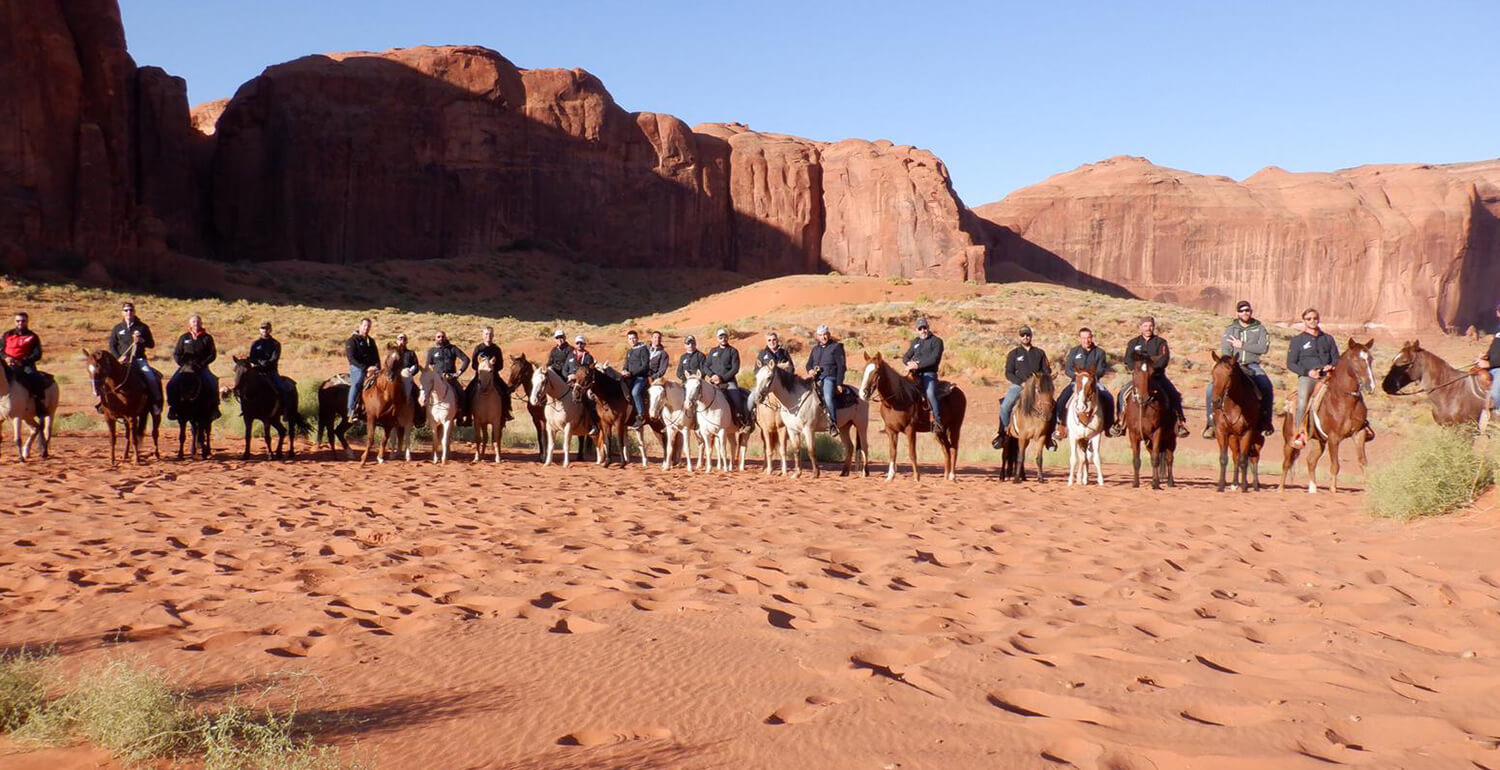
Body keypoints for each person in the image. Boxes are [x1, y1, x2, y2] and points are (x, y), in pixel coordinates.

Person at [1107, 316, 1189, 438]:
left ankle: (1179, 422)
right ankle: (1120, 422)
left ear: (1153, 327)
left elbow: (1164, 359)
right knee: (1122, 393)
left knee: (1174, 394)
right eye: (1145, 326)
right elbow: (1128, 359)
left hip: (1157, 377)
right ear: (1140, 327)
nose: (1148, 328)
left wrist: (1152, 370)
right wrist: (1136, 369)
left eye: (1150, 326)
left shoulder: (1161, 342)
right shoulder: (1133, 343)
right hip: (1139, 378)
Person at [1206, 300, 1274, 438]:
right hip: (1233, 366)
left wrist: (1242, 345)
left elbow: (1263, 348)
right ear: (1237, 313)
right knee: (1210, 389)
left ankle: (1266, 421)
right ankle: (1211, 423)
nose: (1245, 313)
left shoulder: (1259, 328)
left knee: (1266, 385)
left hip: (1252, 364)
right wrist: (1230, 364)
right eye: (1242, 311)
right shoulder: (1230, 329)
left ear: (1251, 311)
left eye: (1247, 310)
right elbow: (1226, 350)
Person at [1286, 308, 1340, 448]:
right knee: (1303, 400)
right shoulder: (1298, 340)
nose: (1312, 321)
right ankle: (1299, 433)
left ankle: (1360, 425)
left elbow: (1336, 358)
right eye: (1309, 319)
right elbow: (1291, 363)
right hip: (1308, 377)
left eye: (1315, 318)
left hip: (1328, 376)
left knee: (1348, 393)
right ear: (1304, 321)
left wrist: (1331, 366)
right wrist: (1307, 372)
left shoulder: (1328, 339)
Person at [1053, 327, 1113, 439]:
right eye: (1084, 338)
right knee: (1062, 399)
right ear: (1079, 339)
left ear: (1092, 337)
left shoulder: (1100, 352)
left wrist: (1091, 377)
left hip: (1093, 383)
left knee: (1109, 397)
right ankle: (1060, 426)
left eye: (1089, 337)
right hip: (1076, 383)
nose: (1086, 340)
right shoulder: (1074, 351)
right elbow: (1068, 369)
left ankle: (1109, 426)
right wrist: (1078, 377)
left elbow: (1101, 369)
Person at [997, 326, 1050, 445]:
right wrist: (1021, 382)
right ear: (1019, 337)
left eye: (1027, 335)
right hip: (1019, 386)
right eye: (1023, 335)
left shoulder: (1040, 353)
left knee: (1051, 405)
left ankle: (1049, 436)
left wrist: (1040, 380)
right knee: (1005, 406)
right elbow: (1008, 372)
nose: (1025, 337)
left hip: (1037, 387)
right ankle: (1003, 432)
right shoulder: (1013, 354)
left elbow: (1047, 370)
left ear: (1031, 336)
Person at [108, 301, 161, 415]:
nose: (128, 312)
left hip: (139, 360)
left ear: (134, 312)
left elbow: (151, 344)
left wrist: (142, 340)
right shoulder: (117, 328)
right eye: (126, 310)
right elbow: (112, 345)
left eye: (131, 310)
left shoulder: (142, 327)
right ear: (122, 313)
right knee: (107, 378)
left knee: (150, 377)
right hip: (122, 361)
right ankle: (104, 404)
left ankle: (156, 402)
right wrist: (118, 357)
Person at [168, 314, 219, 421]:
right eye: (194, 322)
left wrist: (202, 364)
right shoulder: (184, 337)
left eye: (198, 322)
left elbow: (212, 354)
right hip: (185, 367)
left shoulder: (207, 338)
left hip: (201, 367)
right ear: (190, 324)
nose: (196, 324)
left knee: (212, 381)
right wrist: (182, 364)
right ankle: (172, 408)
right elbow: (177, 353)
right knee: (171, 383)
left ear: (201, 323)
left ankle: (215, 408)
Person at [901, 317, 946, 433]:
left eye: (924, 327)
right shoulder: (915, 342)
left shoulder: (937, 341)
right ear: (916, 330)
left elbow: (934, 359)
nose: (923, 330)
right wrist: (909, 363)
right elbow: (905, 357)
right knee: (900, 389)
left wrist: (917, 365)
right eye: (920, 328)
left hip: (929, 374)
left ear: (928, 327)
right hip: (914, 374)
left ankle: (938, 421)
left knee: (930, 393)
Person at [1, 312, 49, 416]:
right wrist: (6, 358)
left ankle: (39, 405)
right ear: (15, 322)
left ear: (27, 322)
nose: (20, 323)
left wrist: (23, 361)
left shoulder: (33, 336)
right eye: (18, 321)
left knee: (36, 378)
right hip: (7, 364)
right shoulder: (7, 334)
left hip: (25, 365)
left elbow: (37, 354)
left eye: (23, 321)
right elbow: (0, 350)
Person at [248, 321, 296, 415]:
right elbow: (252, 357)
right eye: (262, 328)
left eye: (266, 328)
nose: (264, 330)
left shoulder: (275, 344)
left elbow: (274, 359)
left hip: (271, 371)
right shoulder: (255, 344)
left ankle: (285, 410)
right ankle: (245, 410)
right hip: (257, 371)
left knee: (282, 387)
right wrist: (259, 362)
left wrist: (264, 363)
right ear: (259, 330)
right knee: (245, 386)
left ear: (270, 330)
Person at [805, 324, 846, 434]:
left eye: (825, 335)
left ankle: (833, 424)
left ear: (829, 334)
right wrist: (810, 371)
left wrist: (839, 383)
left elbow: (842, 367)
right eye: (820, 335)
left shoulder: (837, 347)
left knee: (828, 397)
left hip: (829, 377)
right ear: (817, 336)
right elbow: (808, 365)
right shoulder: (815, 349)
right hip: (816, 379)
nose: (823, 337)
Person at [706, 328, 748, 426]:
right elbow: (706, 366)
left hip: (729, 382)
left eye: (725, 337)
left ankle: (742, 421)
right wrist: (712, 375)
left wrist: (722, 378)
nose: (723, 339)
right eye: (721, 337)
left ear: (728, 337)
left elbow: (735, 368)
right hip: (714, 383)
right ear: (717, 339)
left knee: (737, 398)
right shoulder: (713, 351)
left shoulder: (733, 351)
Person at [426, 330, 471, 417]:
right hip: (437, 379)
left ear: (445, 337)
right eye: (438, 337)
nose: (441, 339)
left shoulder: (453, 348)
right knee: (424, 394)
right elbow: (427, 365)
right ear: (435, 338)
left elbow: (466, 359)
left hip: (451, 378)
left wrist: (459, 372)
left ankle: (463, 416)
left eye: (443, 336)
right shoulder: (432, 351)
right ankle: (423, 417)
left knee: (462, 394)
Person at [464, 326, 502, 426]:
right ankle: (467, 415)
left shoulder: (496, 349)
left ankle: (505, 413)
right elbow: (473, 364)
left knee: (505, 391)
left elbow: (501, 364)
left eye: (490, 334)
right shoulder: (478, 348)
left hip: (494, 376)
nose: (488, 336)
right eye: (486, 334)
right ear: (482, 335)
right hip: (480, 375)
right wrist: (482, 368)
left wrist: (492, 369)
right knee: (468, 392)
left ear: (493, 335)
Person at [344, 318, 378, 421]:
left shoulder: (371, 341)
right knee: (357, 383)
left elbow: (376, 356)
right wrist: (366, 368)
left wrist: (377, 367)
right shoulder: (352, 341)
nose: (366, 328)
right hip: (357, 367)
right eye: (365, 326)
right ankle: (351, 410)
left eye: (368, 326)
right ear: (360, 326)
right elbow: (351, 358)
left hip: (372, 368)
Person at [392, 332, 422, 426]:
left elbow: (416, 366)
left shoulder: (411, 353)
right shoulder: (393, 354)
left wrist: (410, 372)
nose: (402, 341)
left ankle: (418, 419)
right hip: (396, 379)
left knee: (418, 394)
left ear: (406, 341)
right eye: (400, 339)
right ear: (397, 341)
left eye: (404, 339)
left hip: (408, 378)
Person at [622, 330, 651, 427]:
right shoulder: (629, 351)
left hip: (641, 377)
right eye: (630, 339)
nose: (632, 340)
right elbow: (626, 364)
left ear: (637, 338)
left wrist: (632, 373)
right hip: (630, 377)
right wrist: (624, 370)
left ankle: (641, 414)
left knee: (635, 392)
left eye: (633, 338)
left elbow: (645, 366)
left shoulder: (643, 349)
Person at [1479, 302, 1500, 422]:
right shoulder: (1498, 330)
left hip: (1498, 368)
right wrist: (1486, 356)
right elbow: (1496, 350)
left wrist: (1490, 364)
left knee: (1496, 392)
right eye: (1498, 310)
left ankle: (1497, 417)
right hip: (1493, 366)